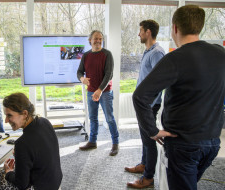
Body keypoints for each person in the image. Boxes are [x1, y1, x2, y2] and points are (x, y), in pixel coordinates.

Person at [133, 5, 225, 190]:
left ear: (175, 28)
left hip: (183, 143)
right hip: (213, 142)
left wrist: (152, 131)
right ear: (200, 26)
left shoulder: (175, 58)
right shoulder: (221, 54)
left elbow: (140, 96)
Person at [0, 93, 63, 190]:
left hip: (37, 187)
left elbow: (21, 184)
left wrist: (8, 173)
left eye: (9, 115)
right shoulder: (44, 122)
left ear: (25, 114)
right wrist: (22, 156)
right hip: (53, 182)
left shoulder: (22, 143)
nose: (6, 120)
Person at [125, 20, 165, 188]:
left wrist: (149, 105)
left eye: (140, 30)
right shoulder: (148, 51)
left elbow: (160, 81)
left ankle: (148, 178)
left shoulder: (157, 53)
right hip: (144, 104)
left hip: (149, 105)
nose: (138, 34)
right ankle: (144, 165)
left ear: (148, 32)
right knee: (144, 137)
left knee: (149, 140)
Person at [77, 30, 119, 156]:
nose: (98, 41)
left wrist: (99, 90)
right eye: (96, 38)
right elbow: (79, 72)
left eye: (100, 39)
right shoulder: (86, 55)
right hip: (90, 92)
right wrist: (82, 79)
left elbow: (109, 74)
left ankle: (115, 144)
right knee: (93, 118)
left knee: (109, 118)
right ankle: (92, 141)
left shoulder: (107, 54)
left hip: (104, 92)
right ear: (90, 40)